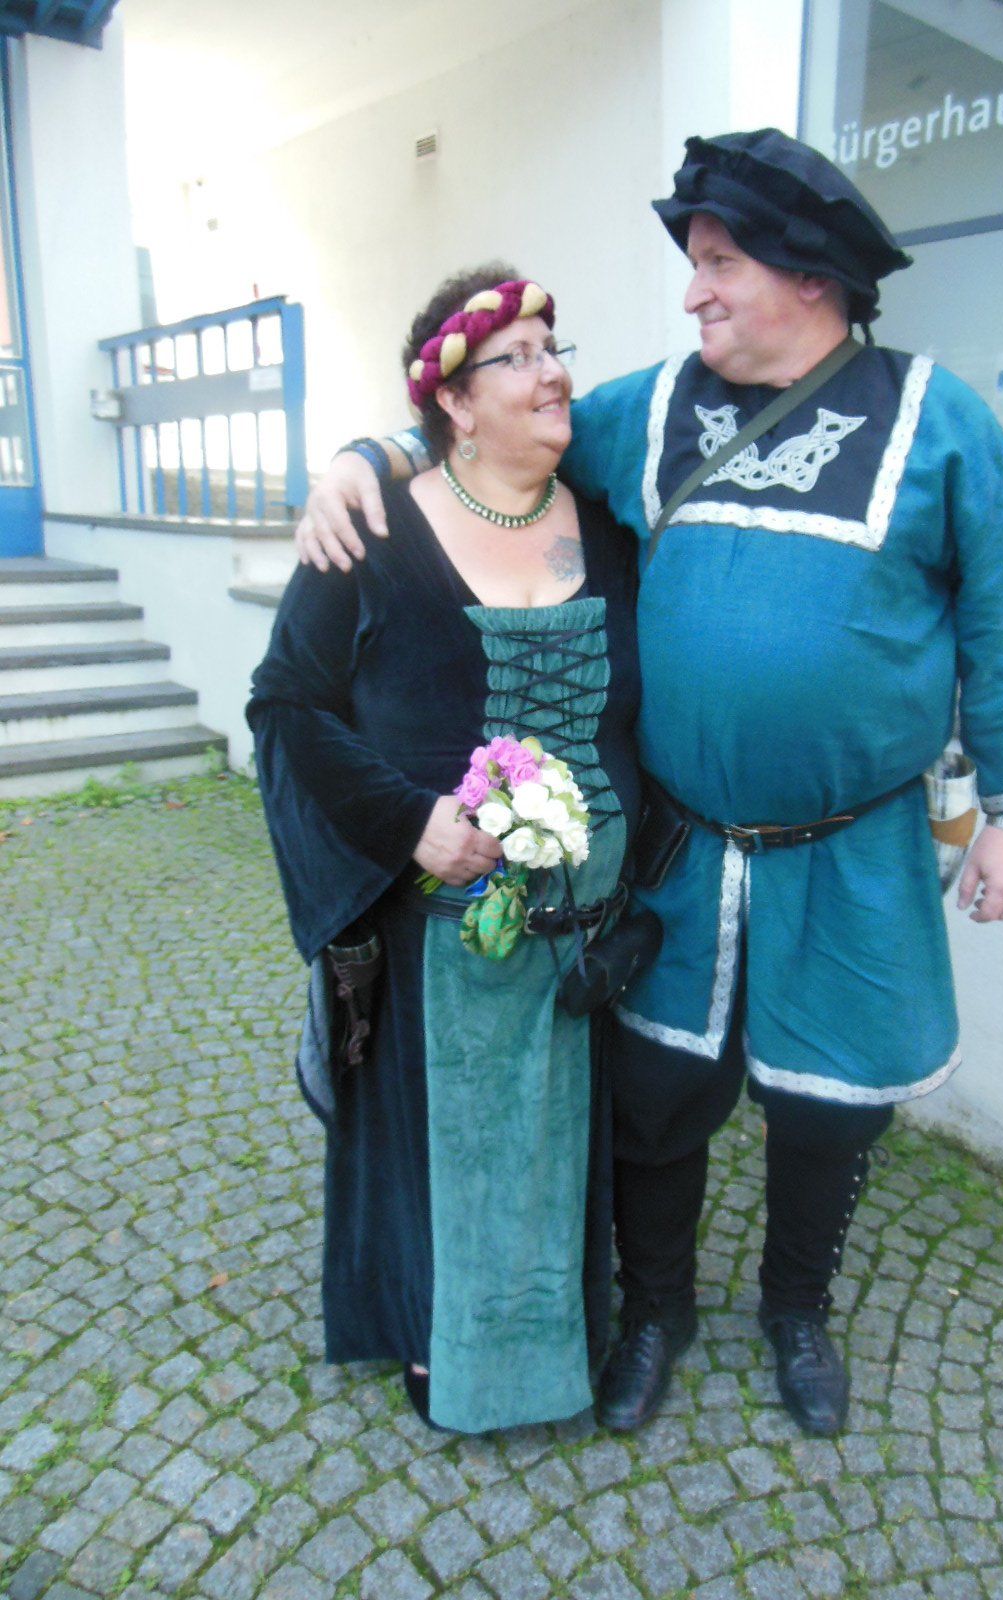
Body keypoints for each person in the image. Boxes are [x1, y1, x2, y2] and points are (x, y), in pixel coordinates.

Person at [293, 130, 1003, 1440]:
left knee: (826, 1110)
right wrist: (362, 459)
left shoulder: (939, 422)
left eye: (718, 264)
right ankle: (655, 1309)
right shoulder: (655, 410)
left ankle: (797, 1311)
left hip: (853, 849)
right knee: (658, 1096)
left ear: (807, 276)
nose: (693, 292)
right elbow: (495, 430)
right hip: (683, 847)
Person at [248, 266, 641, 1433]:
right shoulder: (372, 532)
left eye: (556, 347)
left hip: (588, 922)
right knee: (448, 1140)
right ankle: (439, 1332)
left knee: (557, 1135)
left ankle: (560, 1332)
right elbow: (286, 703)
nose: (553, 373)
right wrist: (407, 818)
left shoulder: (608, 523)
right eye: (519, 356)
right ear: (457, 402)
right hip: (443, 922)